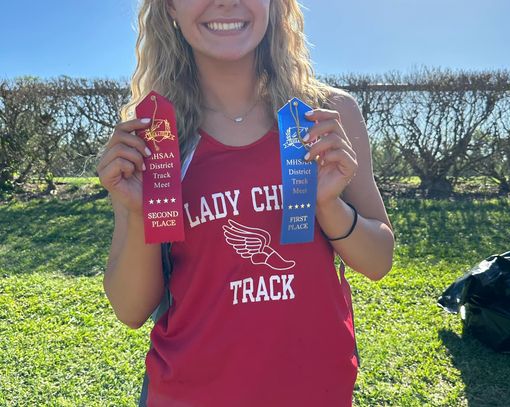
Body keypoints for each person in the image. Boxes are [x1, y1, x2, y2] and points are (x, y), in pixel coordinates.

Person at [97, 0, 395, 405]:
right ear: (169, 8)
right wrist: (137, 212)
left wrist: (328, 205)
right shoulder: (155, 134)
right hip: (188, 393)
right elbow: (130, 308)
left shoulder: (324, 117)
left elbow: (378, 261)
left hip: (316, 391)